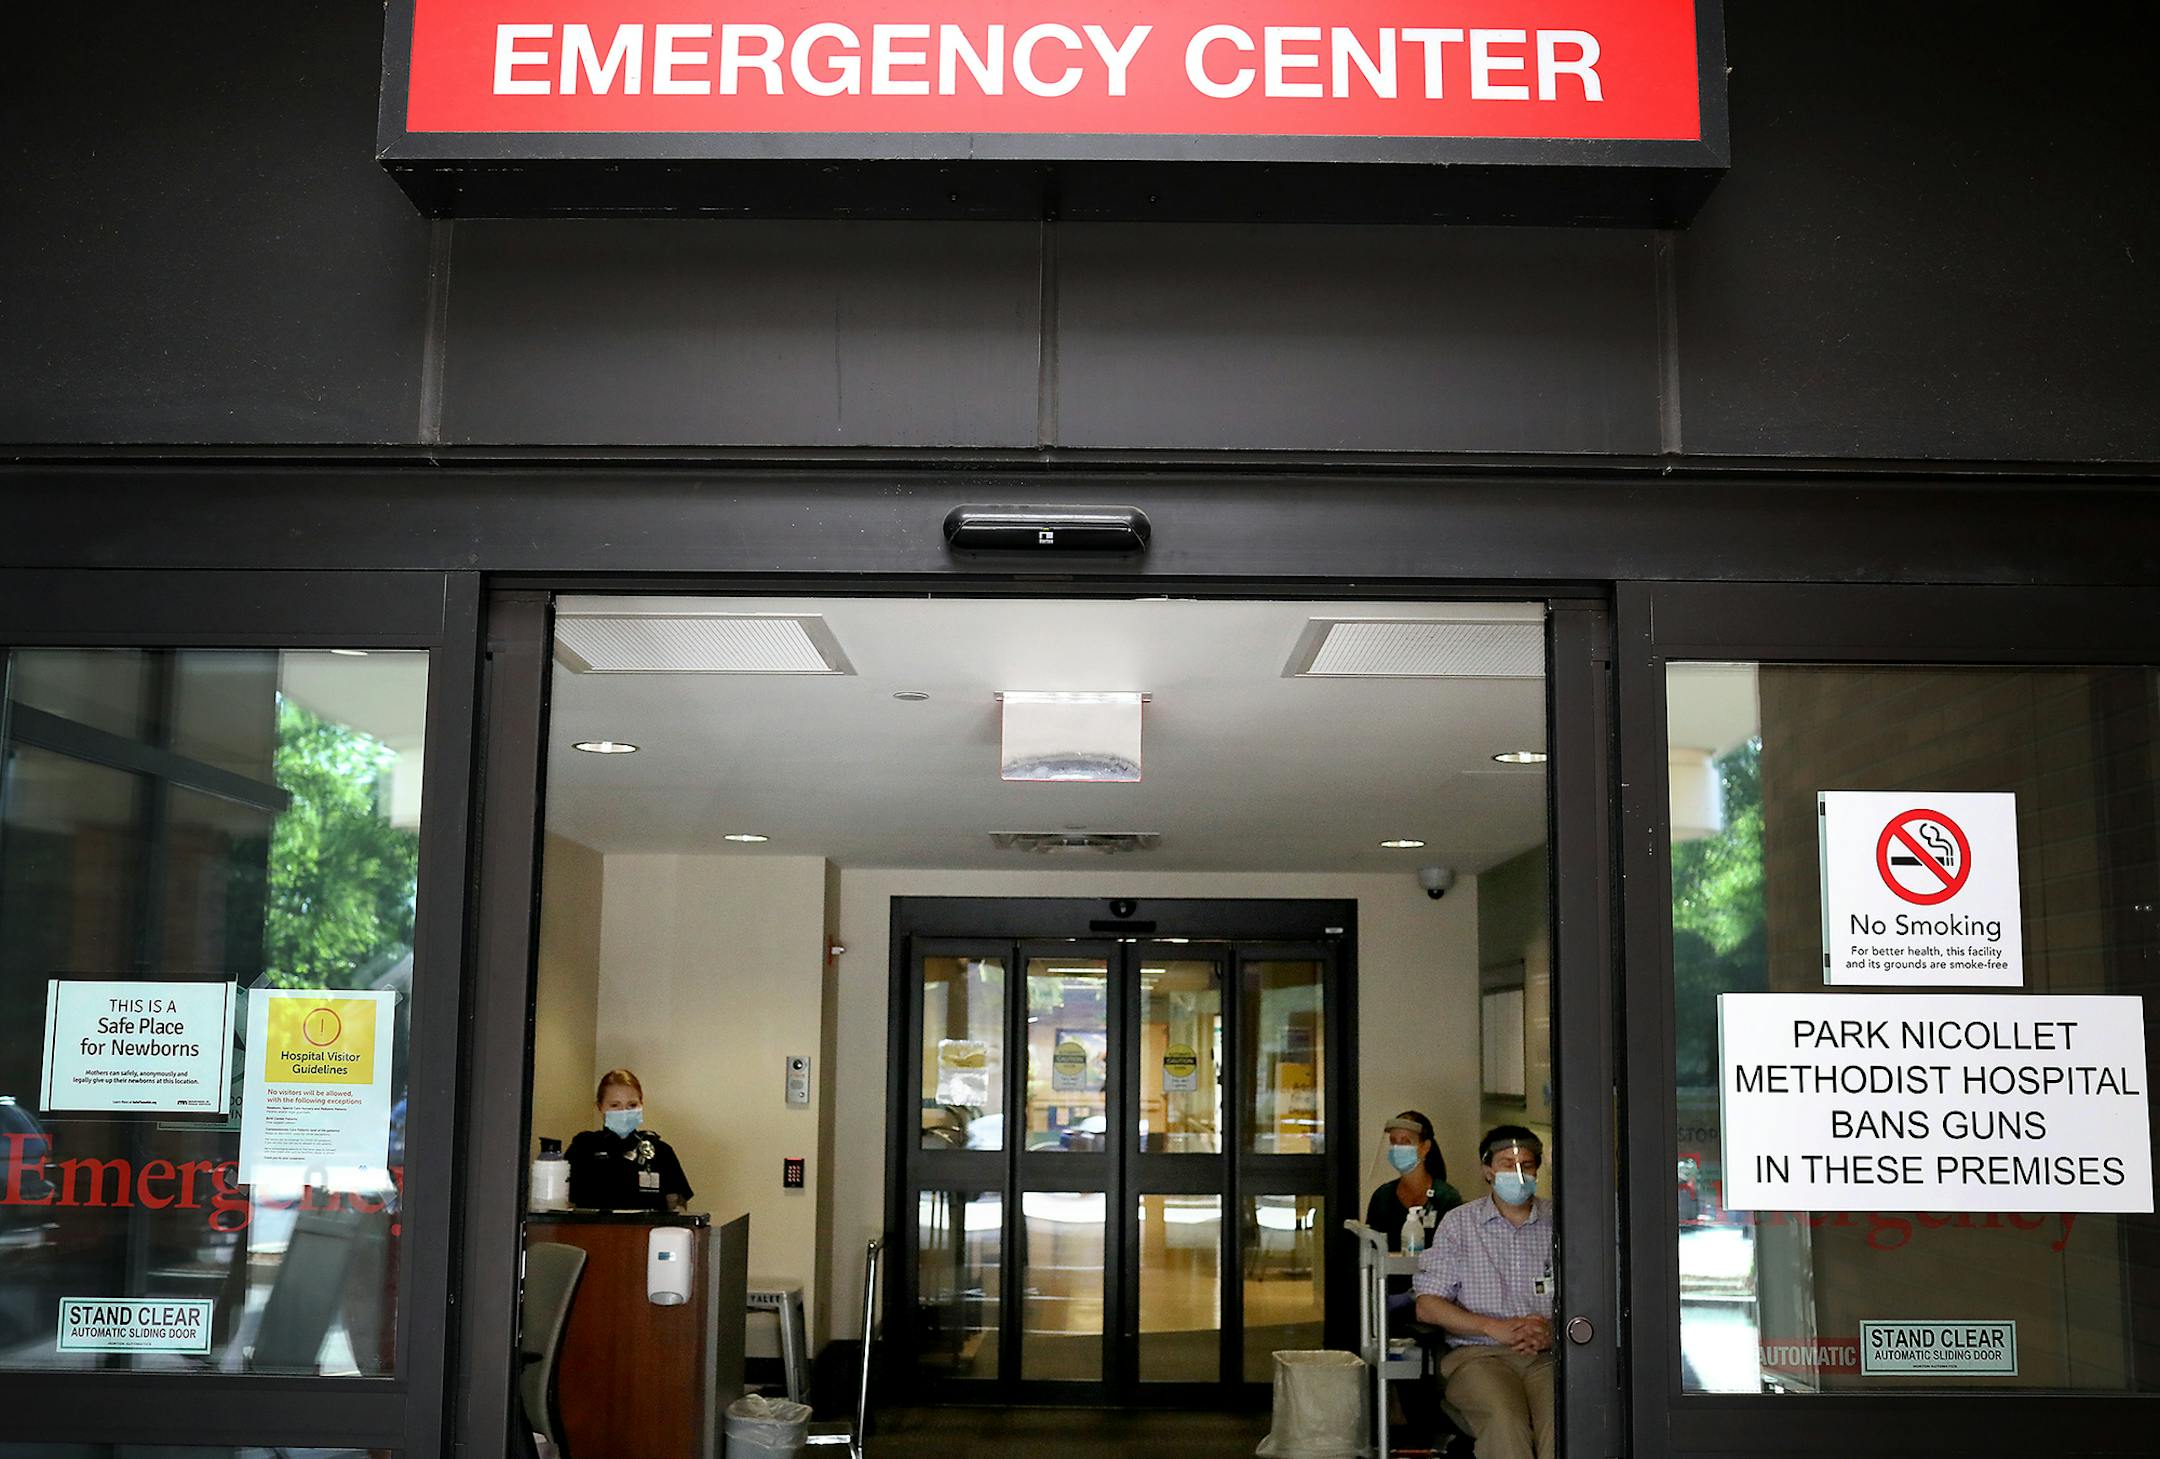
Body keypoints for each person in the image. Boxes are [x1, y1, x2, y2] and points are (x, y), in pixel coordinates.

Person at [1412, 1125, 1554, 1459]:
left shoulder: (1561, 1221)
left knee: (1561, 1421)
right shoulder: (1459, 1224)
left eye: (1527, 1165)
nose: (1518, 1173)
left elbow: (1597, 1296)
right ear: (1487, 1171)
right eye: (1507, 1164)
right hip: (1479, 1356)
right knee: (1506, 1420)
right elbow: (1427, 1307)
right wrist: (1493, 1327)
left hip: (1548, 1357)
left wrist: (1551, 1330)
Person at [565, 1067, 694, 1212]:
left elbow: (678, 1209)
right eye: (615, 1105)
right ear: (600, 1107)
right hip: (592, 1233)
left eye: (632, 1105)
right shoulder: (583, 1147)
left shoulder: (660, 1151)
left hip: (648, 1232)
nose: (624, 1112)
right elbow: (565, 1204)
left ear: (641, 1104)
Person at [1365, 1109, 1464, 1258]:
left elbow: (1457, 1254)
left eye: (1405, 1142)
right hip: (1389, 1279)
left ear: (1425, 1147)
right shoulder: (1383, 1197)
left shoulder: (1446, 1199)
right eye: (1393, 1141)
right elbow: (1372, 1251)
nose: (1398, 1148)